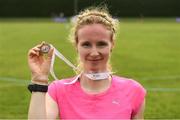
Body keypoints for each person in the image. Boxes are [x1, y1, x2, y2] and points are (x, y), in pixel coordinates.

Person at [27, 7, 146, 119]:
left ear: (112, 45)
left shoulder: (133, 91)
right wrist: (39, 80)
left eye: (101, 44)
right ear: (76, 46)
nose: (94, 53)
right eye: (86, 44)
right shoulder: (58, 91)